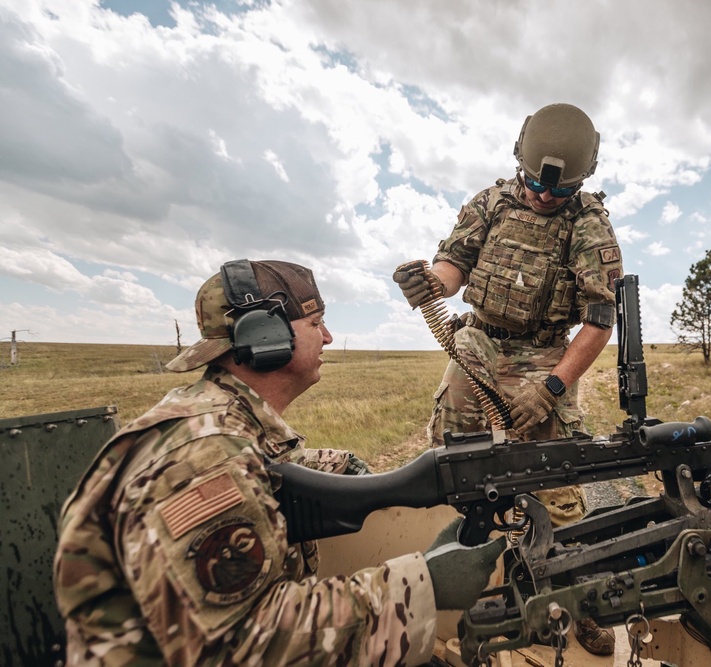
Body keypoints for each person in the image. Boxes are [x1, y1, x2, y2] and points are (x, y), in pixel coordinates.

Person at [53, 259, 503, 666]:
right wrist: (424, 584)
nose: (327, 336)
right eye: (316, 322)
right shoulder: (203, 456)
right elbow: (239, 644)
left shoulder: (222, 420)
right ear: (264, 336)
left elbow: (264, 468)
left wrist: (342, 465)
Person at [393, 103, 622, 656]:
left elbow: (599, 320)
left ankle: (570, 602)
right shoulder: (490, 202)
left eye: (558, 192)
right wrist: (430, 282)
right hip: (480, 342)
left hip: (546, 355)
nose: (544, 197)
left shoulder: (588, 223)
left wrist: (552, 389)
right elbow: (454, 264)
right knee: (460, 464)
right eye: (535, 186)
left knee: (558, 479)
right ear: (519, 159)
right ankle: (468, 578)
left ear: (581, 180)